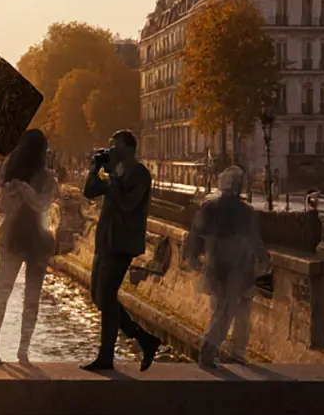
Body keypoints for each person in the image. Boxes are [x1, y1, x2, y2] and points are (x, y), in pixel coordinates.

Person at [81, 129, 163, 372]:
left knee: (106, 295)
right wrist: (94, 169)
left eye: (115, 145)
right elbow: (88, 192)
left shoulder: (140, 174)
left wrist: (113, 181)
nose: (112, 149)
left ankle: (106, 356)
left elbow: (128, 205)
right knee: (99, 297)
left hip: (123, 243)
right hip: (106, 240)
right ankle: (145, 339)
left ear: (129, 147)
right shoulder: (117, 172)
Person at [183, 167, 269, 368]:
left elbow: (196, 234)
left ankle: (216, 349)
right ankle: (228, 350)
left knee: (220, 310)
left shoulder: (209, 207)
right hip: (240, 267)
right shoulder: (246, 211)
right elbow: (254, 239)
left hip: (217, 266)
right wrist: (263, 258)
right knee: (239, 311)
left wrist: (192, 256)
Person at [0, 129, 57, 365]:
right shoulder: (46, 180)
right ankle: (20, 352)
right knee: (29, 297)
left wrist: (21, 190)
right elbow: (9, 205)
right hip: (36, 238)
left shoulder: (44, 179)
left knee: (3, 293)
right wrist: (12, 190)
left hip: (13, 237)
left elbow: (36, 204)